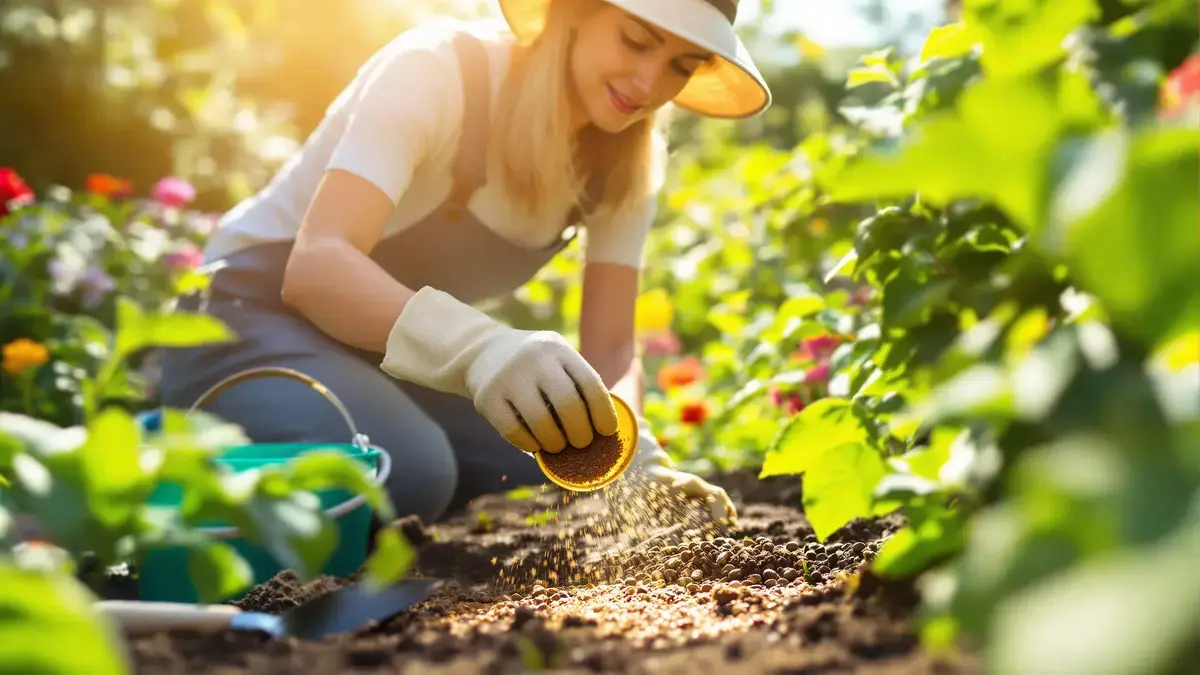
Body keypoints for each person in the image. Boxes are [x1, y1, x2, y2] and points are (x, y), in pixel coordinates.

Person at [159, 0, 771, 529]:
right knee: (409, 470)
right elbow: (317, 267)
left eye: (682, 66)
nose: (648, 83)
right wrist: (480, 350)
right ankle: (158, 459)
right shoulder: (437, 72)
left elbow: (610, 344)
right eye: (636, 40)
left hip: (375, 356)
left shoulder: (626, 163)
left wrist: (635, 462)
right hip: (242, 318)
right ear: (574, 12)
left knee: (543, 470)